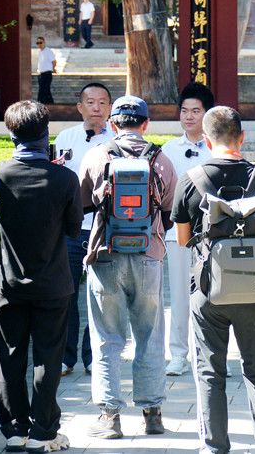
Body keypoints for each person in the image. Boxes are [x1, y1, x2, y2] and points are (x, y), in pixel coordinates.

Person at [171, 106, 255, 454]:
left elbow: (182, 239)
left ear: (207, 140)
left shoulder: (191, 179)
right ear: (242, 137)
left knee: (210, 370)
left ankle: (214, 446)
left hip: (208, 289)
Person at [78, 95, 177, 439]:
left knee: (106, 337)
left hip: (106, 254)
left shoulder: (97, 155)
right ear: (146, 124)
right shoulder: (161, 159)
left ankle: (110, 417)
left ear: (113, 123)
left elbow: (82, 204)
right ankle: (152, 414)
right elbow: (169, 212)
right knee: (150, 334)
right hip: (149, 256)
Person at [0, 100, 84, 452]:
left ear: (11, 133)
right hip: (52, 283)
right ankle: (44, 432)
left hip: (9, 282)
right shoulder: (66, 178)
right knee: (48, 357)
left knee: (9, 357)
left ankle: (15, 430)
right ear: (46, 133)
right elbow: (73, 229)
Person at [52, 82, 115, 377]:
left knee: (101, 295)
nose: (96, 108)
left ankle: (94, 356)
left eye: (102, 102)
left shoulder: (117, 140)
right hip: (71, 229)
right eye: (90, 102)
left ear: (110, 108)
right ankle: (66, 356)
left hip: (105, 229)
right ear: (80, 107)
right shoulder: (66, 138)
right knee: (66, 294)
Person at [160, 81, 214, 376]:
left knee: (213, 295)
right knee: (180, 296)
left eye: (196, 110)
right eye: (184, 110)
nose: (189, 116)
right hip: (177, 234)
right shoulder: (169, 149)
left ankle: (210, 354)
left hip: (213, 233)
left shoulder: (217, 147)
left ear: (207, 114)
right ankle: (179, 354)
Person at [36, 37, 56, 105]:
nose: (39, 44)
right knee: (45, 90)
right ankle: (50, 103)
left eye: (40, 42)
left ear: (44, 42)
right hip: (40, 74)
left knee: (44, 90)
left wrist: (53, 69)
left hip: (47, 73)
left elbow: (54, 62)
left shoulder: (48, 51)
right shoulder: (40, 52)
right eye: (37, 43)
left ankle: (40, 103)